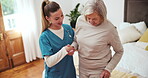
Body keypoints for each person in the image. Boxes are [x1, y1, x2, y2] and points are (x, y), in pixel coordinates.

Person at [72, 0, 123, 78]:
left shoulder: (109, 29)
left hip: (99, 71)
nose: (91, 21)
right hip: (82, 68)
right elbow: (76, 40)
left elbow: (119, 51)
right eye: (88, 18)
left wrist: (108, 69)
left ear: (102, 16)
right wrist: (73, 47)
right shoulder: (80, 20)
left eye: (94, 19)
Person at [39, 0, 76, 78]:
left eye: (62, 16)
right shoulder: (44, 37)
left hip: (70, 73)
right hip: (55, 75)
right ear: (47, 18)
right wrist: (65, 50)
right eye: (56, 18)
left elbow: (75, 42)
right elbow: (49, 62)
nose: (61, 20)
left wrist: (72, 48)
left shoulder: (68, 28)